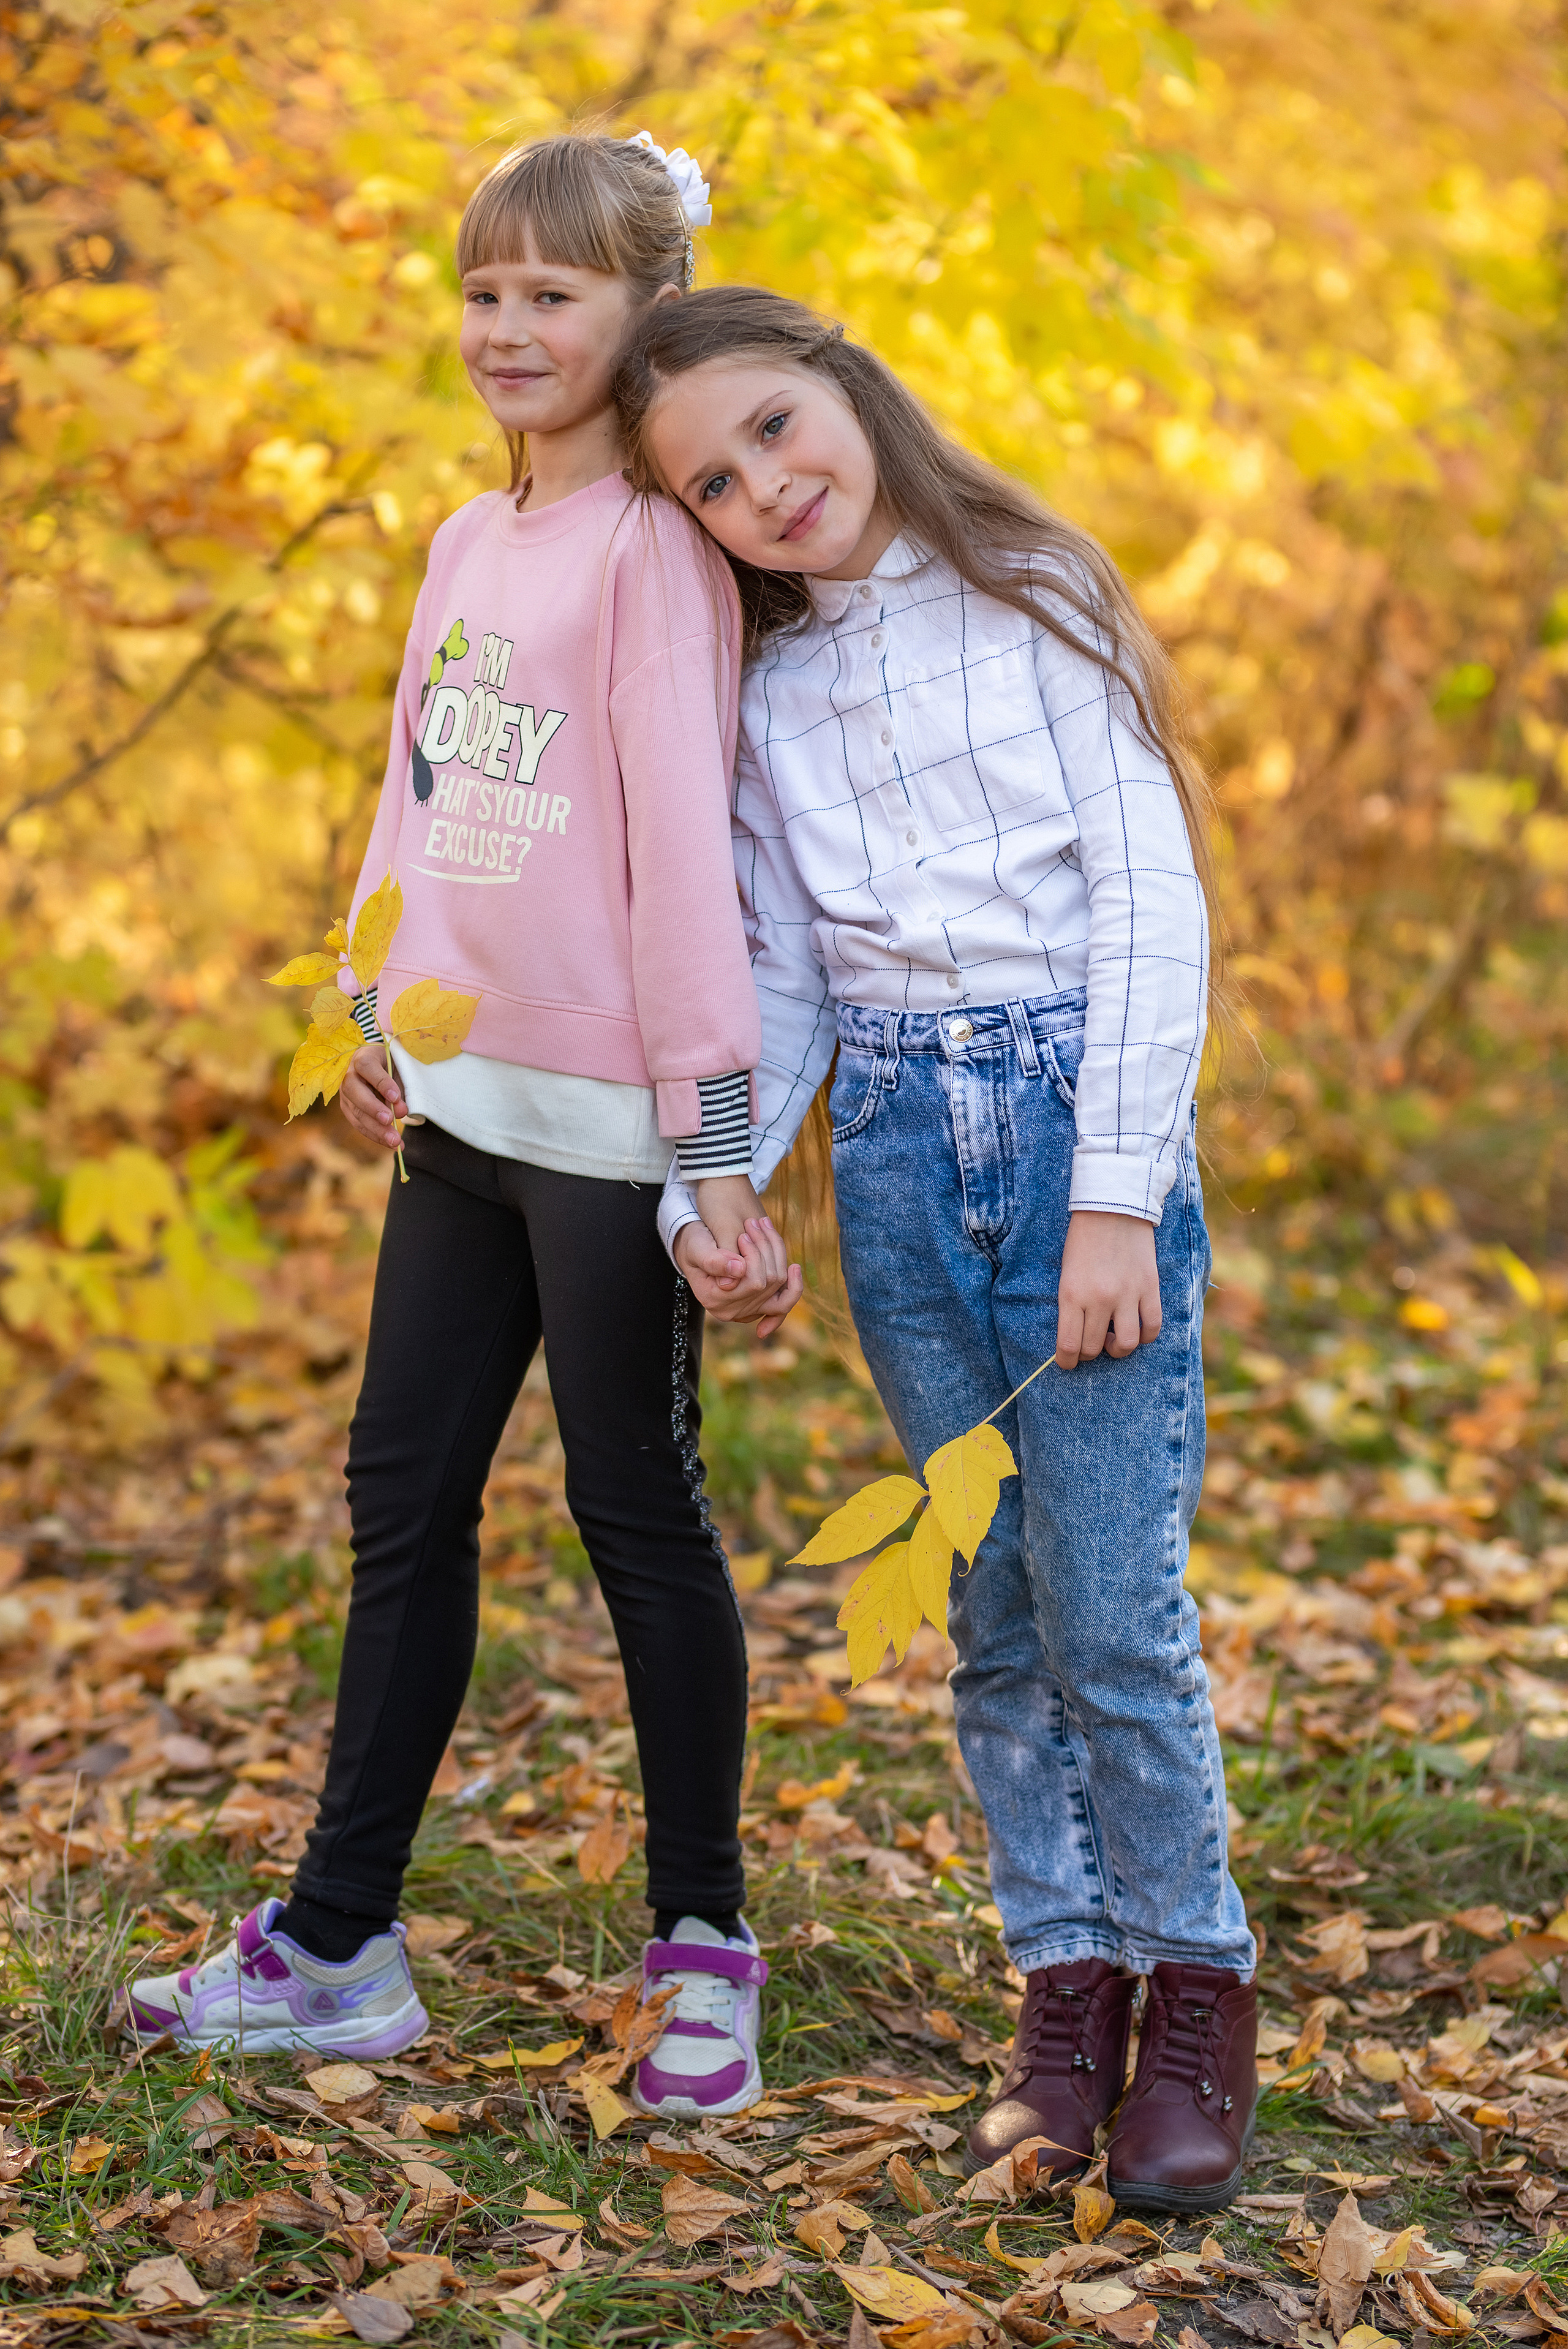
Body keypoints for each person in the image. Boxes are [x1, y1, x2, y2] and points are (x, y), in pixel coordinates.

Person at [126, 139, 794, 2121]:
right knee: (397, 1505)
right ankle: (339, 1947)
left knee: (633, 1515)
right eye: (486, 293)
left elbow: (687, 862)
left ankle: (705, 1947)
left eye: (554, 298)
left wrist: (716, 1149)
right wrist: (367, 997)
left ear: (640, 315)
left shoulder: (652, 555)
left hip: (606, 1134)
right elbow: (412, 797)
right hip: (459, 1112)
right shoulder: (461, 544)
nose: (510, 329)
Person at [612, 286, 1259, 2209]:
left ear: (853, 393)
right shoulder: (776, 692)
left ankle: (1196, 1992)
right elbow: (780, 974)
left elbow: (1154, 905)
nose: (766, 487)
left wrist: (1117, 1192)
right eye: (715, 483)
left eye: (779, 430)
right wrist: (709, 1185)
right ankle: (1066, 1994)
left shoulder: (1040, 590)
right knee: (986, 1613)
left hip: (1073, 1117)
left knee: (1117, 1612)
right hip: (897, 1147)